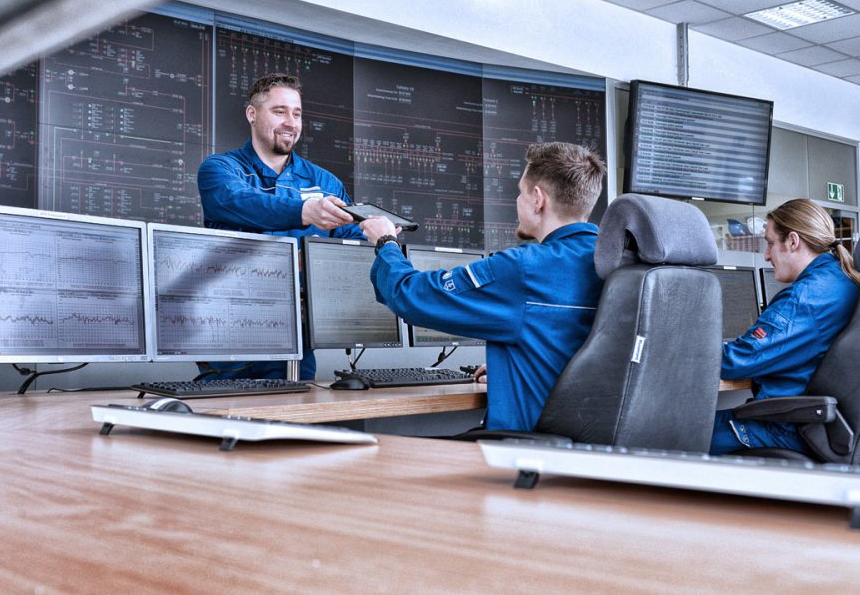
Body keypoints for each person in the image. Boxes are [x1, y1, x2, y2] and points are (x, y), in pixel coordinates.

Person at [359, 142, 606, 432]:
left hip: (527, 452)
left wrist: (386, 243)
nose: (518, 201)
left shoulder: (523, 268)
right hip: (593, 451)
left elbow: (412, 296)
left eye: (520, 192)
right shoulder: (618, 263)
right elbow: (576, 346)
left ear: (538, 199)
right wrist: (511, 369)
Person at [197, 73, 365, 379]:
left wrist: (376, 234)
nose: (291, 122)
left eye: (297, 113)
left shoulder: (326, 183)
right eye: (280, 111)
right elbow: (242, 202)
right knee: (221, 421)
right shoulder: (220, 169)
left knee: (292, 420)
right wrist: (306, 210)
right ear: (252, 114)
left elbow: (349, 243)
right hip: (228, 336)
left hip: (296, 337)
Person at [710, 199, 860, 455]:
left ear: (793, 241)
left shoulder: (804, 299)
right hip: (823, 426)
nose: (767, 255)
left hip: (784, 428)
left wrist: (680, 348)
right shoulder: (845, 280)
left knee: (672, 432)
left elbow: (738, 361)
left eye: (770, 243)